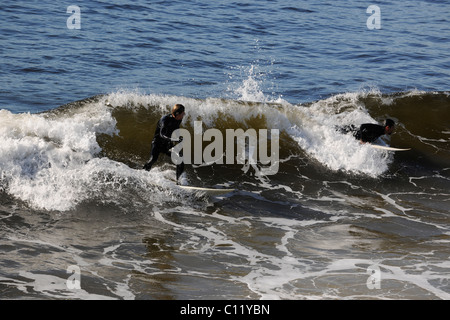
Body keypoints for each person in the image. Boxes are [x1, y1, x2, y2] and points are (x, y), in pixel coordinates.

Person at [143, 104, 186, 184]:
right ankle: (142, 175)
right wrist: (174, 139)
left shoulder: (179, 119)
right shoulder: (165, 119)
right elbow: (162, 134)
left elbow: (176, 129)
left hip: (167, 144)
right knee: (153, 159)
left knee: (180, 158)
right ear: (177, 113)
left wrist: (179, 137)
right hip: (157, 143)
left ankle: (179, 182)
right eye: (182, 113)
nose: (184, 115)